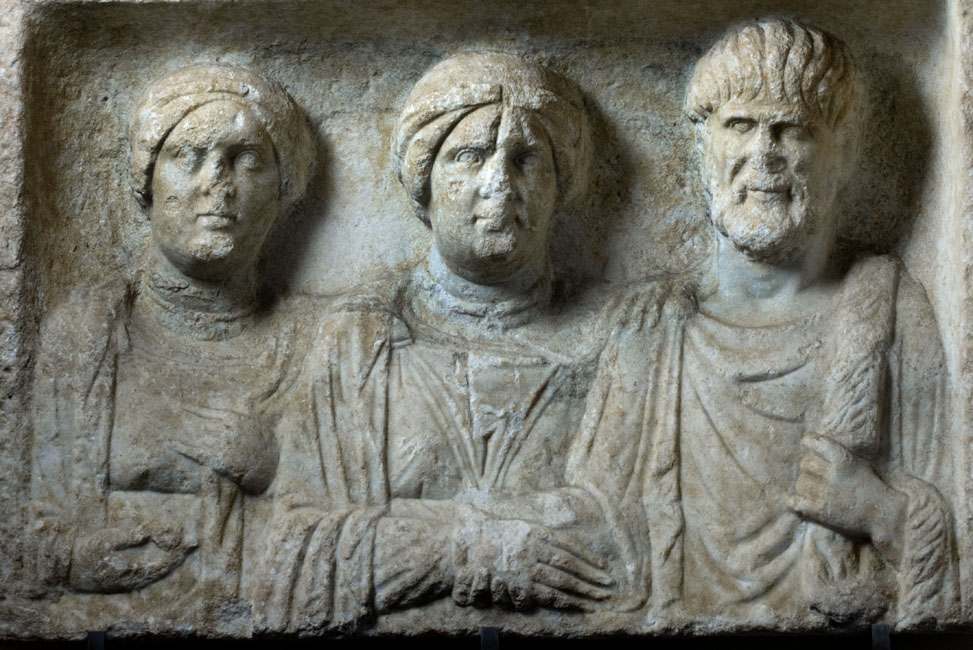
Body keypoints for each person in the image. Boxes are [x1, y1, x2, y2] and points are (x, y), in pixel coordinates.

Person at [578, 18, 958, 626]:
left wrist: (879, 512)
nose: (764, 154)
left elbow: (960, 541)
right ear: (702, 149)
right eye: (739, 126)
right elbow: (596, 535)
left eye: (793, 129)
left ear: (844, 155)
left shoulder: (889, 310)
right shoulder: (649, 327)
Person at [256, 52, 629, 633]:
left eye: (526, 159)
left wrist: (407, 526)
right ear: (424, 180)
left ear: (561, 185)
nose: (499, 183)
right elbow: (295, 557)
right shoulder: (361, 337)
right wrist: (471, 547)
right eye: (470, 156)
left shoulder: (616, 332)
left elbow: (633, 538)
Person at [29, 64, 315, 632]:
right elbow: (29, 531)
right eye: (188, 155)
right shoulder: (87, 334)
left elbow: (363, 514)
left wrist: (277, 467)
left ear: (283, 191)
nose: (218, 184)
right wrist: (76, 559)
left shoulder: (316, 340)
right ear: (147, 181)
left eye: (247, 160)